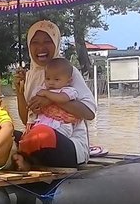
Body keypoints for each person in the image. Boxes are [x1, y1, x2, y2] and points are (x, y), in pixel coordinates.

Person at [13, 20, 96, 169]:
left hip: (70, 143)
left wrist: (50, 100)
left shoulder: (68, 72)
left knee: (42, 134)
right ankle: (26, 159)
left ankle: (25, 158)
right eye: (35, 43)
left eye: (47, 41)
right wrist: (20, 92)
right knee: (5, 133)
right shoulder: (30, 75)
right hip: (37, 137)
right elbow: (27, 119)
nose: (41, 48)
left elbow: (89, 113)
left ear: (56, 43)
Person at [23, 58, 79, 143]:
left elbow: (63, 99)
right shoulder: (41, 89)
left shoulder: (67, 90)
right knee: (32, 138)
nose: (51, 83)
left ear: (69, 81)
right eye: (48, 79)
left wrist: (46, 94)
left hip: (60, 125)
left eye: (56, 79)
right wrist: (36, 108)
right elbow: (34, 106)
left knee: (51, 139)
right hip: (42, 123)